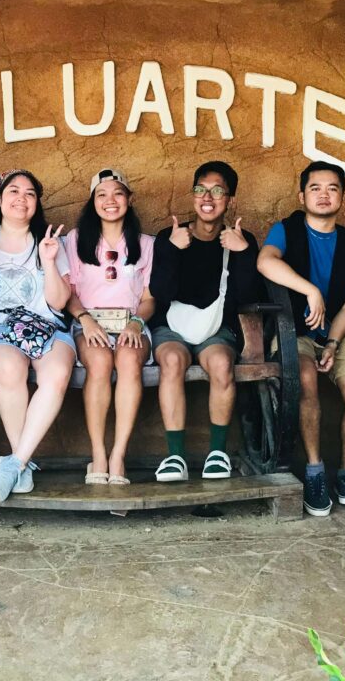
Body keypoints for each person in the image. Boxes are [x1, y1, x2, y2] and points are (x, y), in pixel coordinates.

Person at [257, 160, 345, 516]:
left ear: (342, 197)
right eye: (316, 188)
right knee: (304, 379)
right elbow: (265, 262)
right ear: (302, 195)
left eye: (333, 188)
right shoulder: (287, 230)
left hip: (335, 332)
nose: (324, 195)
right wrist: (310, 291)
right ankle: (315, 471)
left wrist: (334, 343)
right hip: (295, 332)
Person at [0, 170, 74, 503]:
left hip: (48, 326)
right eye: (13, 191)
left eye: (29, 193)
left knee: (56, 374)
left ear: (37, 203)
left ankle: (15, 463)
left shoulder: (50, 240)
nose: (21, 199)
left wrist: (50, 261)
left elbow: (58, 302)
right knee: (10, 370)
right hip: (0, 328)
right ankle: (20, 461)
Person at [149, 160, 261, 482]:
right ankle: (175, 457)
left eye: (217, 191)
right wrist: (172, 250)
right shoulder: (170, 236)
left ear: (231, 200)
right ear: (192, 195)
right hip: (171, 325)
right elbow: (161, 291)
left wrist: (242, 253)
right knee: (171, 361)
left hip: (216, 330)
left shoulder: (242, 239)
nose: (207, 197)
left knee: (223, 365)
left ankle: (217, 452)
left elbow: (244, 298)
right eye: (201, 189)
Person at [65, 169, 155, 485]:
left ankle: (118, 455)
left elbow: (149, 298)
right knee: (101, 361)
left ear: (129, 200)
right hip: (90, 323)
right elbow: (69, 295)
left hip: (131, 322)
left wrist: (136, 322)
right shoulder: (76, 241)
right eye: (101, 195)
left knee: (129, 360)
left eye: (117, 193)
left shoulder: (146, 244)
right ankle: (98, 455)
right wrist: (85, 320)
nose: (110, 201)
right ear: (92, 202)